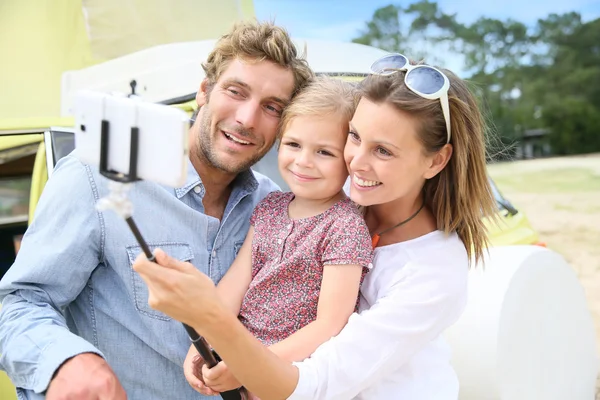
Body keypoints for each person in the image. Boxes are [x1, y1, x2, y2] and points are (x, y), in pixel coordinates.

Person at [133, 53, 498, 399]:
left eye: (383, 151)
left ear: (436, 160)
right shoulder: (321, 202)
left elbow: (316, 382)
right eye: (354, 137)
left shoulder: (433, 270)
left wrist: (234, 350)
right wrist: (212, 340)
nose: (356, 162)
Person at [0, 21, 313, 400]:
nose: (247, 118)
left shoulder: (276, 207)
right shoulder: (98, 173)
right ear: (204, 91)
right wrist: (66, 360)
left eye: (271, 107)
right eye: (236, 91)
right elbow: (17, 301)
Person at [184, 78, 373, 396]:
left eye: (324, 152)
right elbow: (234, 285)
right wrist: (203, 340)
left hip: (292, 378)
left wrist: (251, 365)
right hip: (242, 373)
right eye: (293, 145)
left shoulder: (345, 227)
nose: (303, 161)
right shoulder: (271, 206)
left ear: (350, 159)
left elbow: (330, 325)